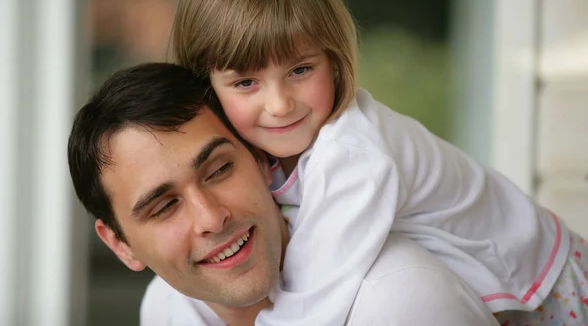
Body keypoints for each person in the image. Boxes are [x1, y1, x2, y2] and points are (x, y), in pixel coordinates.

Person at [172, 0, 588, 325]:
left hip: (550, 286)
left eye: (300, 70)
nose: (280, 105)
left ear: (334, 59)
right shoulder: (255, 154)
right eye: (246, 82)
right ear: (206, 85)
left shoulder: (352, 154)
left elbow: (316, 302)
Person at [67, 63, 500, 325]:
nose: (211, 217)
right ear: (120, 244)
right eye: (164, 206)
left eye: (219, 170)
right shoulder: (166, 309)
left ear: (259, 158)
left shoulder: (398, 299)